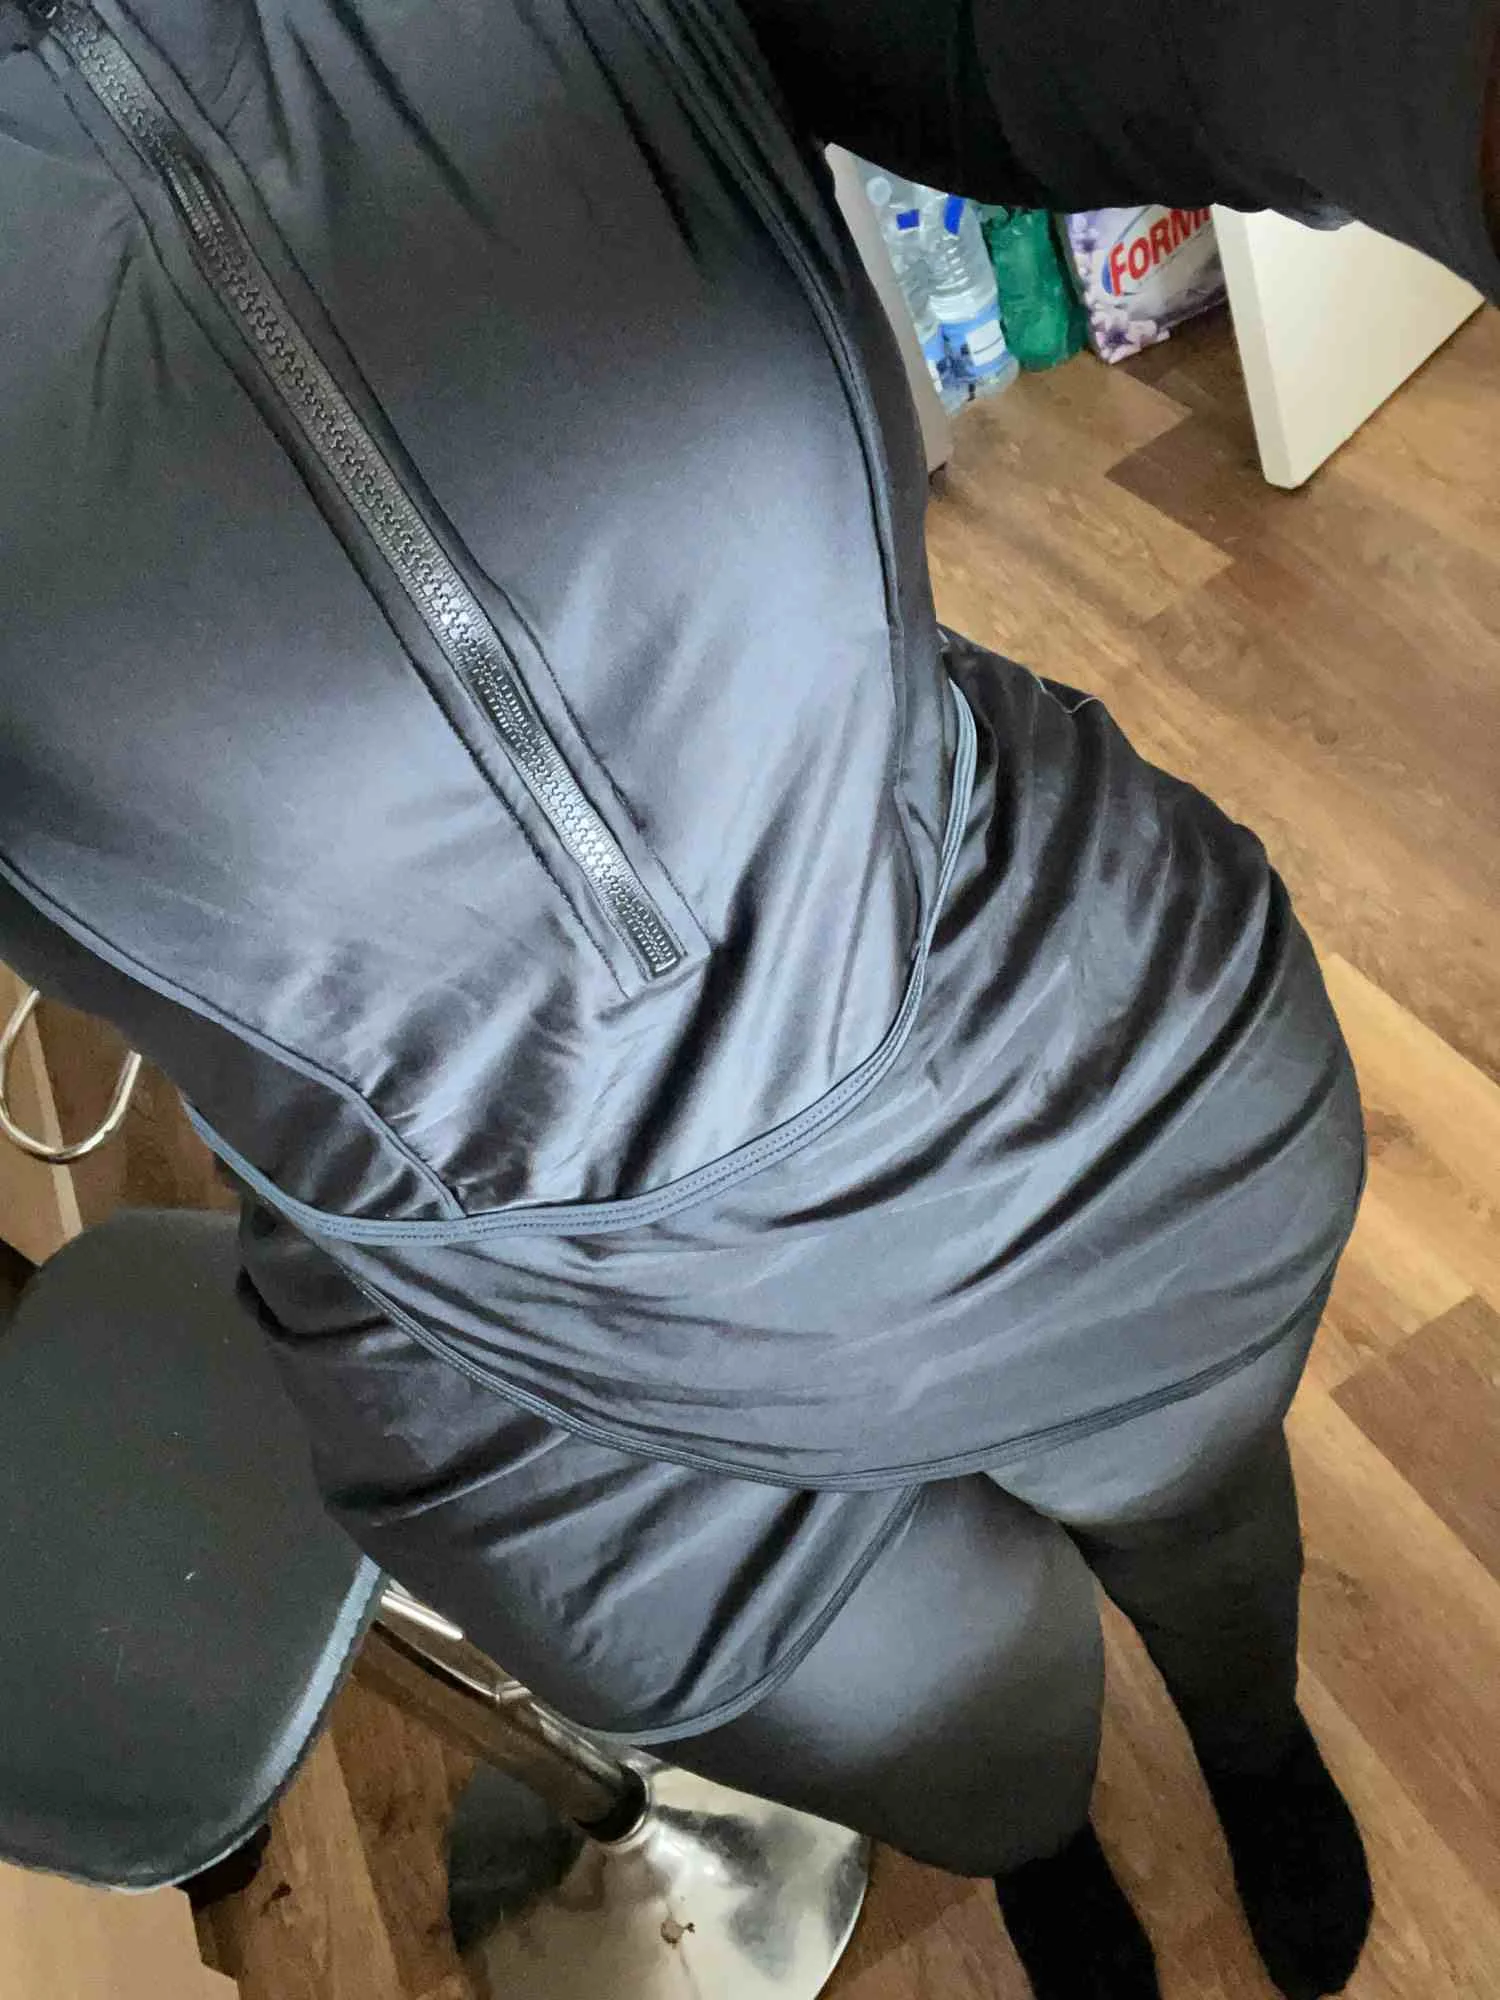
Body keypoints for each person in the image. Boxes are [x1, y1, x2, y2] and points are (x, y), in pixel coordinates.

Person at [1, 2, 1495, 1992]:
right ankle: (1045, 1845)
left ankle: (1251, 1741)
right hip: (529, 1360)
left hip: (1033, 1044)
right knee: (972, 1746)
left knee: (1213, 1528)